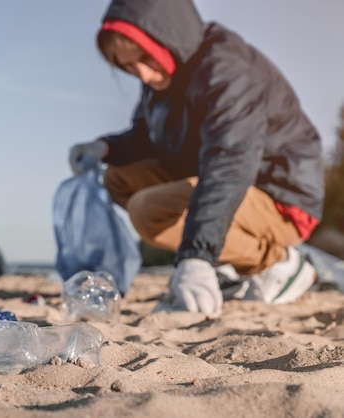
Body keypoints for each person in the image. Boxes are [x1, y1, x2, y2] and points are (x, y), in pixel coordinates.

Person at [68, 0, 324, 315]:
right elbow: (146, 137)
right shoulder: (162, 78)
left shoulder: (228, 71)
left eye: (146, 58)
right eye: (129, 66)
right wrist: (103, 148)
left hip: (280, 195)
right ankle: (229, 264)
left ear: (169, 37)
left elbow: (229, 165)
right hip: (217, 178)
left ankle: (281, 264)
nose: (143, 75)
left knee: (149, 211)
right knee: (117, 177)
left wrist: (196, 257)